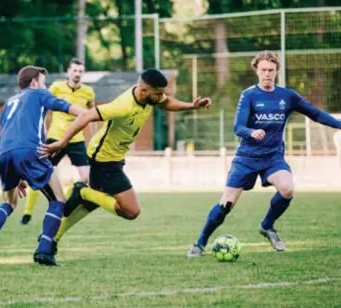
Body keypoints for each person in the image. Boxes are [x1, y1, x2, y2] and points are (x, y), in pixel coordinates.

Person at [187, 50, 341, 257]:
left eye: (271, 70)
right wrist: (251, 132)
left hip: (273, 157)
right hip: (247, 158)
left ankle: (267, 226)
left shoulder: (288, 96)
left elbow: (315, 113)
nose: (267, 74)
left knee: (287, 189)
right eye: (264, 70)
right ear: (256, 71)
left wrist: (340, 125)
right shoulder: (249, 95)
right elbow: (238, 127)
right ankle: (200, 242)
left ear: (277, 71)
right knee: (227, 203)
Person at [38, 68, 211, 252]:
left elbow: (166, 102)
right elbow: (86, 115)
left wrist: (192, 105)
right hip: (103, 159)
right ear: (144, 90)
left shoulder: (148, 97)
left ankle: (53, 239)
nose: (161, 96)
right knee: (131, 210)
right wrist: (62, 141)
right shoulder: (123, 106)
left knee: (95, 203)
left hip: (114, 158)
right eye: (157, 93)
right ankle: (82, 192)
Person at [0, 65, 84, 266]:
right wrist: (91, 113)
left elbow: (8, 132)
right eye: (43, 82)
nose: (45, 86)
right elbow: (66, 107)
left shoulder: (9, 103)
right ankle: (44, 250)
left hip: (4, 155)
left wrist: (16, 171)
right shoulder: (39, 94)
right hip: (31, 151)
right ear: (34, 82)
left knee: (9, 203)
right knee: (59, 199)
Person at [21, 58, 94, 225]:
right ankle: (28, 211)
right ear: (69, 71)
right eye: (74, 70)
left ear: (83, 74)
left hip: (76, 138)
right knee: (40, 172)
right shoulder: (56, 87)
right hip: (56, 137)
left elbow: (90, 112)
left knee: (85, 177)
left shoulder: (88, 92)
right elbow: (44, 106)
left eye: (80, 71)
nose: (77, 74)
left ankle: (66, 202)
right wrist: (43, 129)